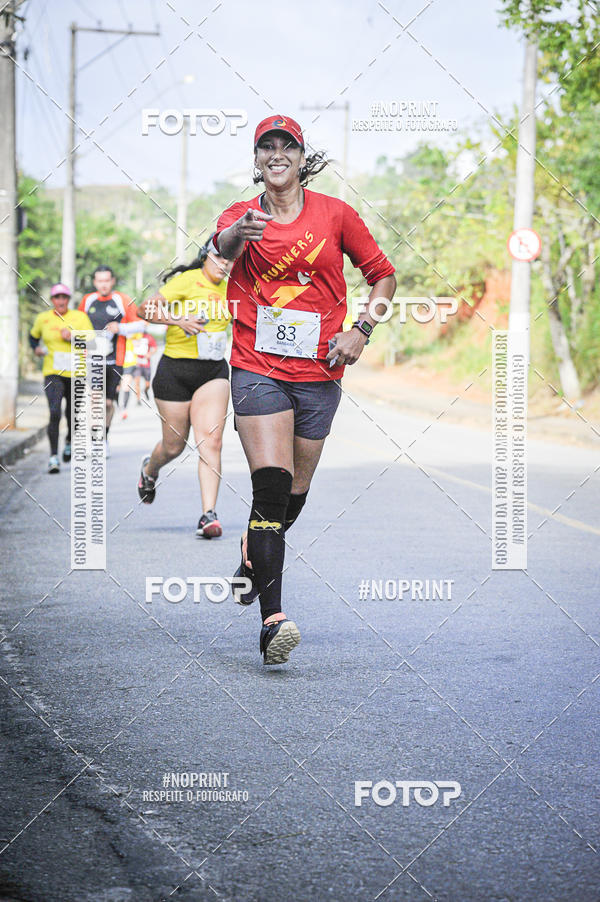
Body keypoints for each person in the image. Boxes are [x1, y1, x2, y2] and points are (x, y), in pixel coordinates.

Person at [213, 114, 396, 665]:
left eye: (285, 146)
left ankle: (253, 554)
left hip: (321, 373)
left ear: (299, 156)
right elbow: (217, 253)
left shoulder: (335, 214)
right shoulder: (239, 217)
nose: (276, 155)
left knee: (294, 495)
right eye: (265, 147)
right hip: (256, 366)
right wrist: (233, 238)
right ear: (257, 160)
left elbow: (383, 274)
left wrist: (361, 329)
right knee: (271, 487)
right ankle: (273, 622)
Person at [136, 236, 233, 538]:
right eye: (219, 258)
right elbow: (144, 311)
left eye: (230, 260)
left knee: (211, 441)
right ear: (206, 256)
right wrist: (178, 320)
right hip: (175, 371)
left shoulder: (236, 286)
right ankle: (150, 470)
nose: (224, 265)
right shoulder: (187, 282)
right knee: (174, 446)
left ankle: (208, 515)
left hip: (213, 371)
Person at [29, 283, 94, 473]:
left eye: (64, 297)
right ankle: (53, 457)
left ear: (68, 300)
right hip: (53, 372)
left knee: (72, 414)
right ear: (52, 300)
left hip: (77, 373)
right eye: (57, 297)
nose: (61, 301)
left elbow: (92, 342)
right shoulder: (43, 319)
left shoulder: (79, 317)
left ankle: (69, 441)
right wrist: (36, 349)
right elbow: (33, 337)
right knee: (55, 411)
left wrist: (73, 337)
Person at [78, 265, 141, 455]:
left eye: (107, 280)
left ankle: (104, 436)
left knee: (107, 403)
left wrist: (120, 329)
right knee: (95, 399)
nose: (103, 284)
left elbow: (141, 324)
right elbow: (78, 325)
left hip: (116, 359)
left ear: (112, 281)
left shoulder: (121, 300)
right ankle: (95, 439)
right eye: (99, 280)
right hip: (92, 359)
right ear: (95, 282)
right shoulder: (88, 300)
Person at [132, 331, 157, 404]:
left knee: (147, 384)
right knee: (137, 382)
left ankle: (145, 391)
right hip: (136, 363)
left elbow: (155, 347)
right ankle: (138, 399)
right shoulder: (133, 336)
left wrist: (150, 354)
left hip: (146, 363)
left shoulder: (148, 336)